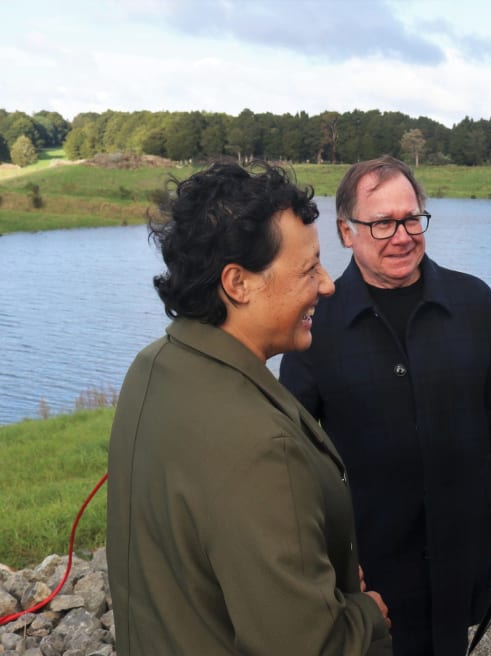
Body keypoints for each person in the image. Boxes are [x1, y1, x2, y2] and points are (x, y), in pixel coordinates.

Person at [107, 161, 392, 655]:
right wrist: (367, 615)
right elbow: (310, 647)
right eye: (309, 269)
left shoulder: (152, 366)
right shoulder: (262, 447)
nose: (327, 285)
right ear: (238, 283)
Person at [279, 155, 491, 656]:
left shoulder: (473, 301)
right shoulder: (314, 319)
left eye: (411, 219)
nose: (402, 236)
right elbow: (293, 451)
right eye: (381, 224)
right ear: (346, 232)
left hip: (461, 551)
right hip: (370, 564)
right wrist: (322, 556)